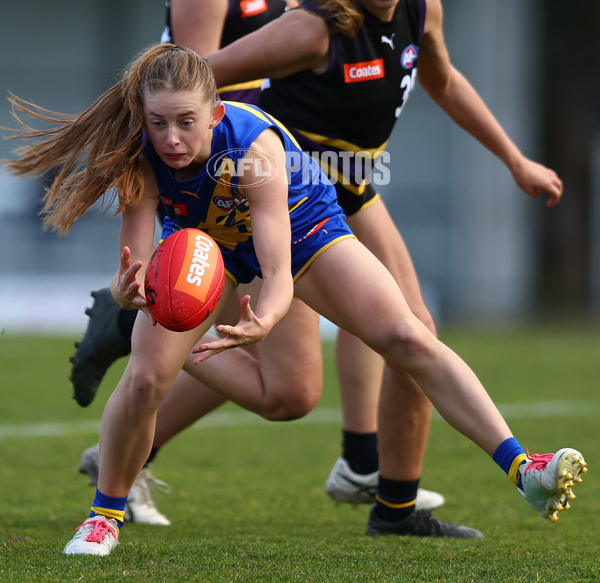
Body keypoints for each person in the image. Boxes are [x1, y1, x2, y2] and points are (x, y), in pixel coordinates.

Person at [89, 0, 568, 527]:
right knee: (289, 382)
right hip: (269, 195)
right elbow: (203, 74)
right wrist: (162, 132)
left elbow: (445, 82)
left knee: (397, 334)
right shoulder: (313, 28)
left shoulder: (422, 6)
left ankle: (388, 491)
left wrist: (514, 159)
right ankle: (361, 468)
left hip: (344, 190)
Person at [5, 44, 586, 556]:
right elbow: (131, 260)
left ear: (215, 113)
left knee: (407, 336)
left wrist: (267, 320)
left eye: (186, 121)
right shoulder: (141, 153)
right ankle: (104, 517)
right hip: (203, 245)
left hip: (304, 232)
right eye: (159, 123)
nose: (172, 138)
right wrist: (123, 292)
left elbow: (279, 269)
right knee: (146, 376)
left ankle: (523, 467)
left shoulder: (253, 145)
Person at [70, 0, 443, 521]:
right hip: (232, 184)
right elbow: (186, 85)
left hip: (280, 171)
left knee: (312, 367)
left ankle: (357, 462)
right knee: (283, 361)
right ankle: (131, 445)